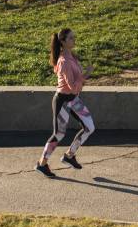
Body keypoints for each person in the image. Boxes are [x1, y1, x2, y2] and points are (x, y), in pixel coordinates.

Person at [36, 28, 96, 178]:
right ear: (62, 42)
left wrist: (83, 77)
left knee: (89, 127)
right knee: (59, 134)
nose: (74, 40)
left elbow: (76, 85)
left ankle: (69, 155)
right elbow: (72, 86)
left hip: (73, 99)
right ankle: (42, 164)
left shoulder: (72, 57)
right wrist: (86, 75)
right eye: (70, 38)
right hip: (62, 100)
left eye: (74, 37)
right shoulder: (64, 61)